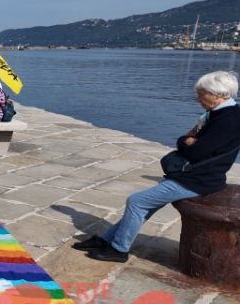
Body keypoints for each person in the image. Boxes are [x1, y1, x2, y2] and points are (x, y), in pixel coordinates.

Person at [74, 71, 240, 262]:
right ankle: (106, 240)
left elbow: (195, 152)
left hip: (199, 179)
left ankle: (119, 249)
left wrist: (186, 141)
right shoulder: (222, 113)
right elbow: (190, 141)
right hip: (194, 175)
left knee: (137, 201)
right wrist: (187, 140)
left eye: (201, 95)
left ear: (218, 94)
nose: (197, 99)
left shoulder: (227, 119)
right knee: (145, 205)